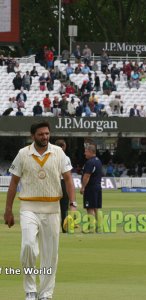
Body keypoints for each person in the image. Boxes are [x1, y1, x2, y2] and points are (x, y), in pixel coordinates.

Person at [4, 121, 76, 300]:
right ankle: (30, 290)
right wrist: (8, 210)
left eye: (47, 134)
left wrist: (73, 204)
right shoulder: (23, 154)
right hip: (29, 207)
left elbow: (68, 179)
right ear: (32, 136)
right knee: (28, 246)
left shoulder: (59, 153)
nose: (44, 137)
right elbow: (13, 183)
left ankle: (45, 294)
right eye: (41, 134)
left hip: (52, 209)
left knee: (50, 255)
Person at [80, 144, 102, 218]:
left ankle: (90, 226)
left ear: (90, 151)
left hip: (90, 188)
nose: (84, 153)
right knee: (96, 208)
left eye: (86, 151)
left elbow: (87, 176)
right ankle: (98, 225)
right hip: (98, 186)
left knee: (89, 207)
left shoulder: (90, 162)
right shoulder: (98, 161)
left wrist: (83, 187)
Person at [55, 139, 71, 233]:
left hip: (53, 182)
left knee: (52, 207)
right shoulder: (66, 158)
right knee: (64, 207)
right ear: (64, 147)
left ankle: (52, 229)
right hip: (63, 182)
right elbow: (68, 175)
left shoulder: (50, 156)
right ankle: (65, 228)